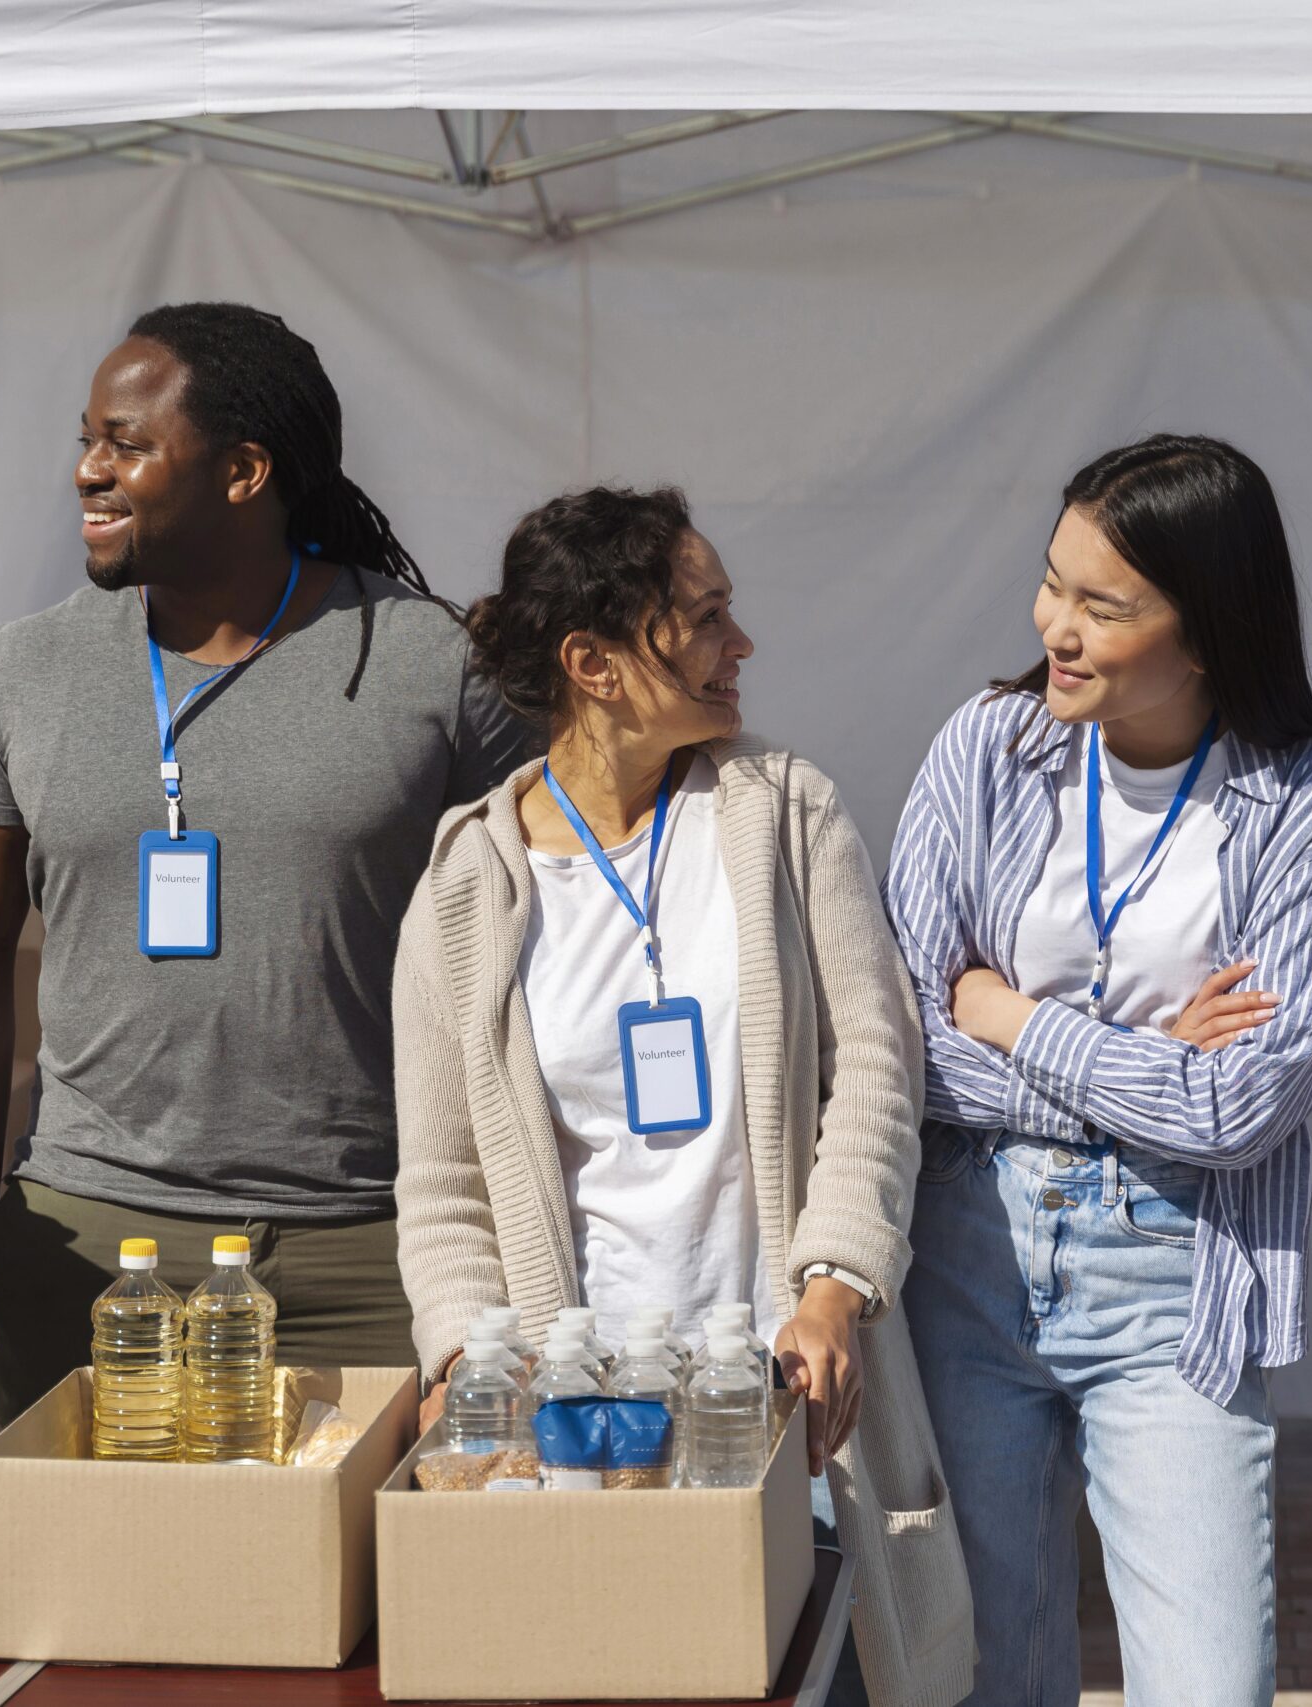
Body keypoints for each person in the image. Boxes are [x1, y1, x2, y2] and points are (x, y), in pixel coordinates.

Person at [393, 485, 972, 1707]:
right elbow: (441, 1179)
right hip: (585, 1433)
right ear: (593, 663)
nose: (740, 644)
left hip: (784, 1404)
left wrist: (834, 1289)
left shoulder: (782, 810)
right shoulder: (463, 885)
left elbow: (877, 1063)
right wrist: (461, 1353)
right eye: (703, 619)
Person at [0, 301, 540, 1421]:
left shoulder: (431, 667)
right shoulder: (19, 673)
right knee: (108, 1590)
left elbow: (544, 945)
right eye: (86, 440)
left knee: (373, 1593)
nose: (87, 474)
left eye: (127, 444)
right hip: (99, 1248)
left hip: (378, 1249)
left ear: (245, 471)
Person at [886, 434, 1312, 1707]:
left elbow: (1245, 1106)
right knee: (991, 1668)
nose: (1056, 625)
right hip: (968, 1239)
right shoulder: (987, 748)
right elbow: (905, 1044)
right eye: (1053, 582)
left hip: (1176, 1267)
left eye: (1104, 606)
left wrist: (1011, 1016)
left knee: (1208, 1683)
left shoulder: (1310, 799)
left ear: (1208, 631)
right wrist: (1142, 1057)